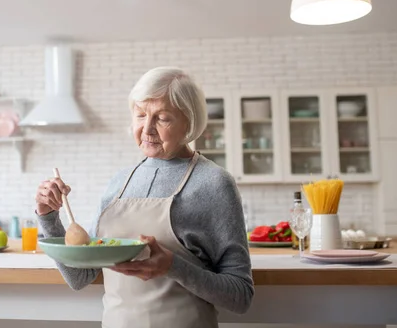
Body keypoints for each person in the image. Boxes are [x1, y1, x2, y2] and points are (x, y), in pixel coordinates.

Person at [36, 66, 254, 328]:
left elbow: (241, 296)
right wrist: (49, 217)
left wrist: (173, 266)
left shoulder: (214, 183)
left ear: (189, 121)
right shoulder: (120, 182)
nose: (147, 129)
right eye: (140, 115)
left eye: (162, 118)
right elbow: (80, 277)